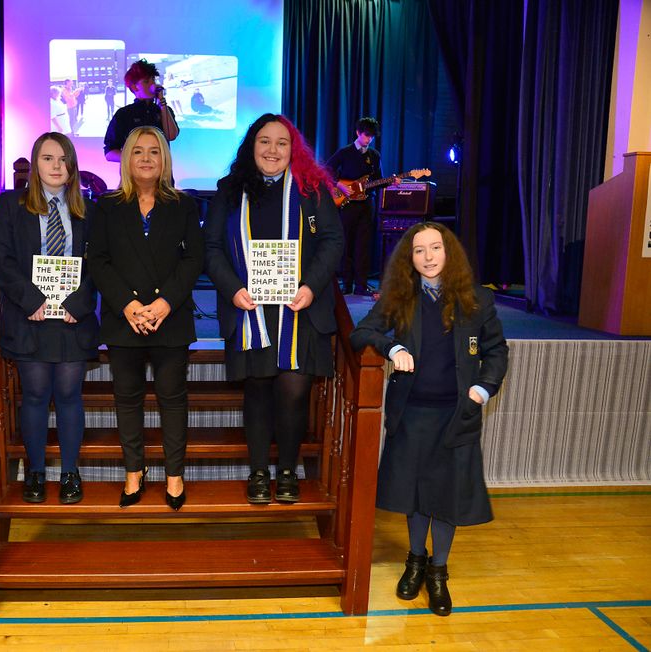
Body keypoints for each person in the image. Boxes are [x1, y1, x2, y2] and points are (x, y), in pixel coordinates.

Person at [350, 221, 508, 617]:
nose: (428, 257)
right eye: (419, 250)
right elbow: (361, 332)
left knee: (446, 497)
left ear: (448, 251)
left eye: (435, 248)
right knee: (416, 495)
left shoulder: (476, 300)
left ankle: (439, 573)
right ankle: (415, 562)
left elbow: (497, 352)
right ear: (410, 258)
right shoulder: (399, 297)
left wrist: (483, 389)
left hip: (457, 415)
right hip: (412, 414)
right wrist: (392, 346)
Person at [204, 113, 344, 505]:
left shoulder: (312, 190)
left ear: (292, 149)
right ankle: (258, 472)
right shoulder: (230, 191)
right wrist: (232, 290)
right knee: (258, 389)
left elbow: (333, 242)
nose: (272, 150)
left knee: (294, 390)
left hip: (297, 308)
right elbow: (211, 248)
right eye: (264, 141)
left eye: (282, 142)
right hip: (249, 309)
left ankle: (287, 470)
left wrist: (310, 287)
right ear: (252, 146)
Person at [88, 126, 203, 510]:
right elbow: (99, 261)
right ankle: (134, 472)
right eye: (138, 151)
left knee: (173, 399)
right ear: (126, 158)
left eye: (155, 151)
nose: (147, 158)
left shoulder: (184, 205)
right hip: (125, 320)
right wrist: (128, 305)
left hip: (170, 319)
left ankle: (174, 475)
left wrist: (166, 303)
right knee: (127, 399)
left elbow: (193, 259)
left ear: (165, 158)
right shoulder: (106, 206)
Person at [0, 133, 99, 504]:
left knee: (69, 394)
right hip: (28, 315)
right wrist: (31, 299)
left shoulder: (88, 210)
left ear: (72, 166)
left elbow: (98, 264)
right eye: (48, 158)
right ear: (35, 163)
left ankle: (70, 473)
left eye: (63, 159)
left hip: (71, 317)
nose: (56, 166)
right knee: (35, 394)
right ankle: (35, 472)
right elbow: (0, 259)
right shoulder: (9, 205)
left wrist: (79, 304)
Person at [326, 117, 385, 295]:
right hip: (347, 204)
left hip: (367, 203)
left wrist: (392, 182)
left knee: (364, 244)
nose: (369, 139)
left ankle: (361, 285)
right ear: (358, 133)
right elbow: (326, 170)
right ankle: (347, 283)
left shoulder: (374, 155)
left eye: (372, 137)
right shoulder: (345, 152)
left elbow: (378, 181)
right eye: (366, 135)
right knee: (347, 242)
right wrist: (339, 185)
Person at [103, 60, 180, 163]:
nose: (153, 84)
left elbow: (171, 136)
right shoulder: (124, 114)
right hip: (133, 177)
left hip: (162, 176)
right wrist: (135, 159)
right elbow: (109, 152)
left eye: (153, 79)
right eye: (146, 81)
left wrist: (162, 104)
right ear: (135, 87)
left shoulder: (164, 110)